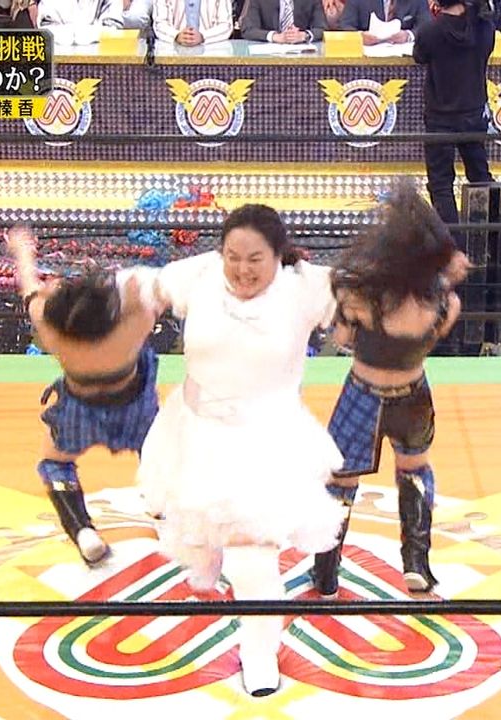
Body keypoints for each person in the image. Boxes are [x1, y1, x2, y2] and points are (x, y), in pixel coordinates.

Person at [137, 205, 347, 697]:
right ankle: (209, 556)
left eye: (255, 259)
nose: (242, 269)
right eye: (233, 256)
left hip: (265, 445)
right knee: (197, 537)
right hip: (195, 431)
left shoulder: (307, 286)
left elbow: (374, 300)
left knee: (252, 560)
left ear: (279, 255)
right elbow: (141, 290)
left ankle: (259, 653)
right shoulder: (199, 275)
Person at [311, 180, 467, 597]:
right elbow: (435, 333)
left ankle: (325, 572)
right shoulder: (445, 303)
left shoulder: (360, 297)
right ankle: (417, 565)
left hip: (364, 392)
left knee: (341, 480)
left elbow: (342, 338)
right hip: (413, 394)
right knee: (415, 470)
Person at [6, 227, 162, 565]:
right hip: (135, 407)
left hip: (80, 409)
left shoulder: (50, 330)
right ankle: (165, 506)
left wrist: (22, 251)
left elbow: (30, 288)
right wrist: (127, 284)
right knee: (161, 451)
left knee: (55, 463)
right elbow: (154, 293)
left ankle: (82, 530)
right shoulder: (132, 326)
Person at [413, 0, 495, 242]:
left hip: (441, 116)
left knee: (441, 184)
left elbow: (419, 56)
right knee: (480, 174)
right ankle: (491, 239)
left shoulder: (430, 30)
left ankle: (453, 247)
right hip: (474, 112)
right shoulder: (484, 28)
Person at [239, 0, 327, 43]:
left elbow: (323, 29)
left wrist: (304, 36)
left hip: (303, 56)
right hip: (268, 57)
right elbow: (248, 29)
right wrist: (275, 37)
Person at [152, 0, 234, 45]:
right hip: (173, 53)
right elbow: (159, 24)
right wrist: (176, 36)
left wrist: (203, 37)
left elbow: (226, 25)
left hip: (211, 53)